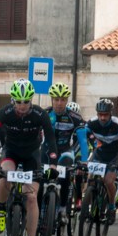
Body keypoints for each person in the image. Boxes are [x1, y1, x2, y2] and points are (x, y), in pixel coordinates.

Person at [0, 78, 58, 236]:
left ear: (31, 100)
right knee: (5, 174)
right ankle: (0, 210)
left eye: (26, 102)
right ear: (13, 100)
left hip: (32, 155)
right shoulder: (5, 112)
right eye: (18, 102)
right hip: (11, 152)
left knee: (31, 197)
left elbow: (51, 140)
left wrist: (53, 165)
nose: (22, 106)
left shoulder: (40, 114)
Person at [43, 82, 88, 225]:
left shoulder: (75, 117)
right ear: (52, 99)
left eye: (62, 100)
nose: (59, 103)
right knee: (39, 178)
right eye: (56, 99)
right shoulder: (44, 114)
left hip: (65, 152)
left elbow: (83, 141)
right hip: (46, 150)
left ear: (67, 100)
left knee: (66, 174)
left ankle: (62, 209)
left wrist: (84, 160)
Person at [86, 98, 118, 223]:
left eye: (105, 115)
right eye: (100, 115)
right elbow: (83, 137)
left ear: (110, 114)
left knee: (108, 181)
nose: (102, 118)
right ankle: (91, 206)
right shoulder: (92, 123)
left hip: (114, 155)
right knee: (90, 180)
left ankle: (111, 207)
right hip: (99, 154)